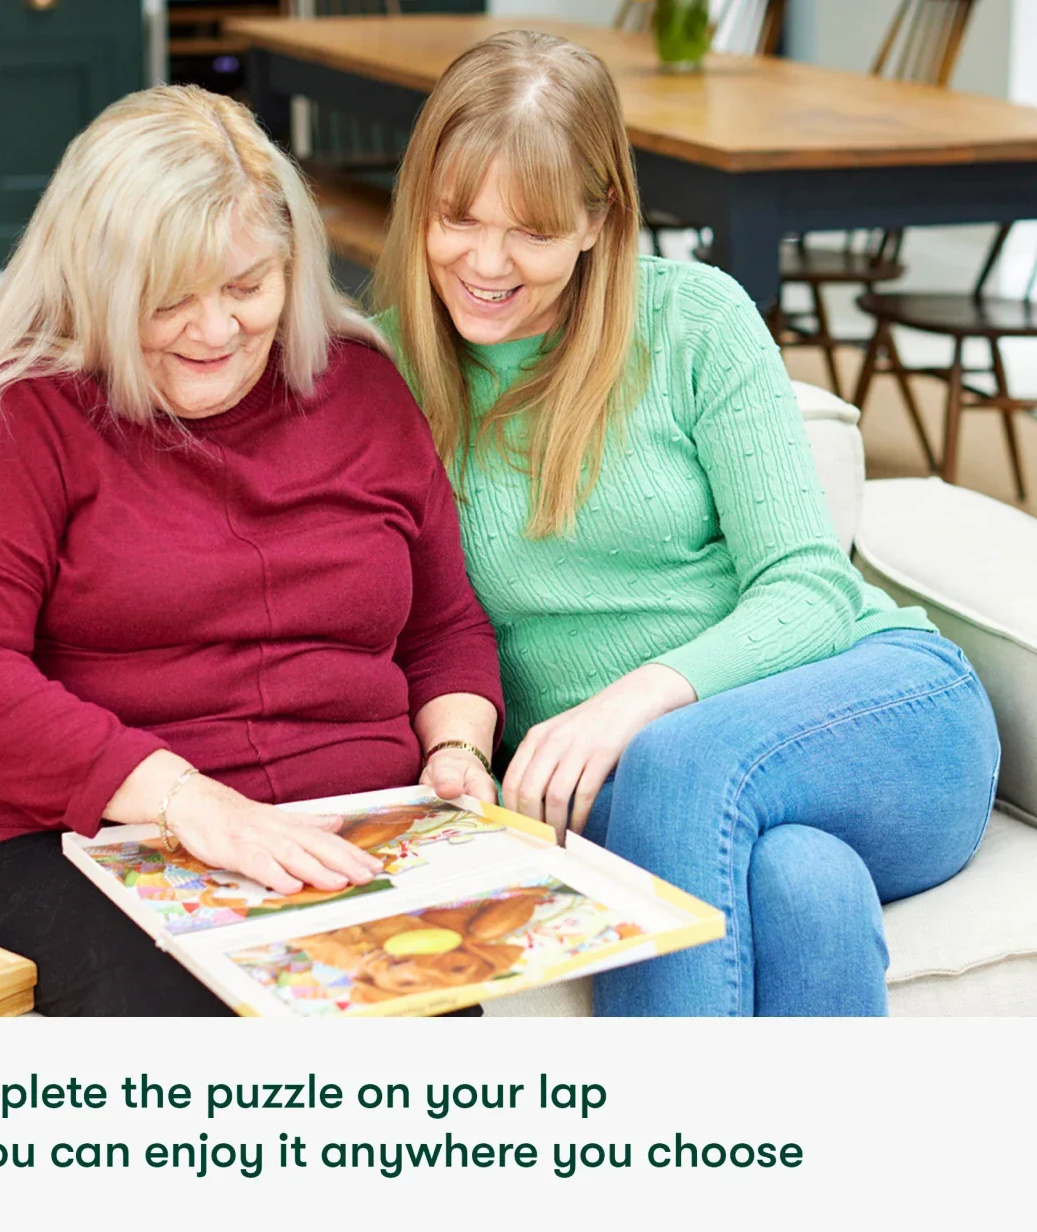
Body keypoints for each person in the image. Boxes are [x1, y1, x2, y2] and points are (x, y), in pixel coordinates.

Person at [373, 31, 1000, 1016]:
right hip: (636, 798)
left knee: (676, 754)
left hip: (871, 710)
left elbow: (809, 588)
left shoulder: (692, 321)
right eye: (458, 219)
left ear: (597, 218)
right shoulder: (382, 380)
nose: (485, 263)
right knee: (802, 885)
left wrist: (627, 705)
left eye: (531, 231)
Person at [0, 85, 503, 1016]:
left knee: (425, 1024)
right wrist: (190, 801)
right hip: (54, 840)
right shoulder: (25, 414)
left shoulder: (364, 388)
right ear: (96, 284)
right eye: (169, 300)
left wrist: (457, 747)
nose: (216, 331)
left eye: (248, 287)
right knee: (224, 1019)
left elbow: (443, 626)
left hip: (333, 836)